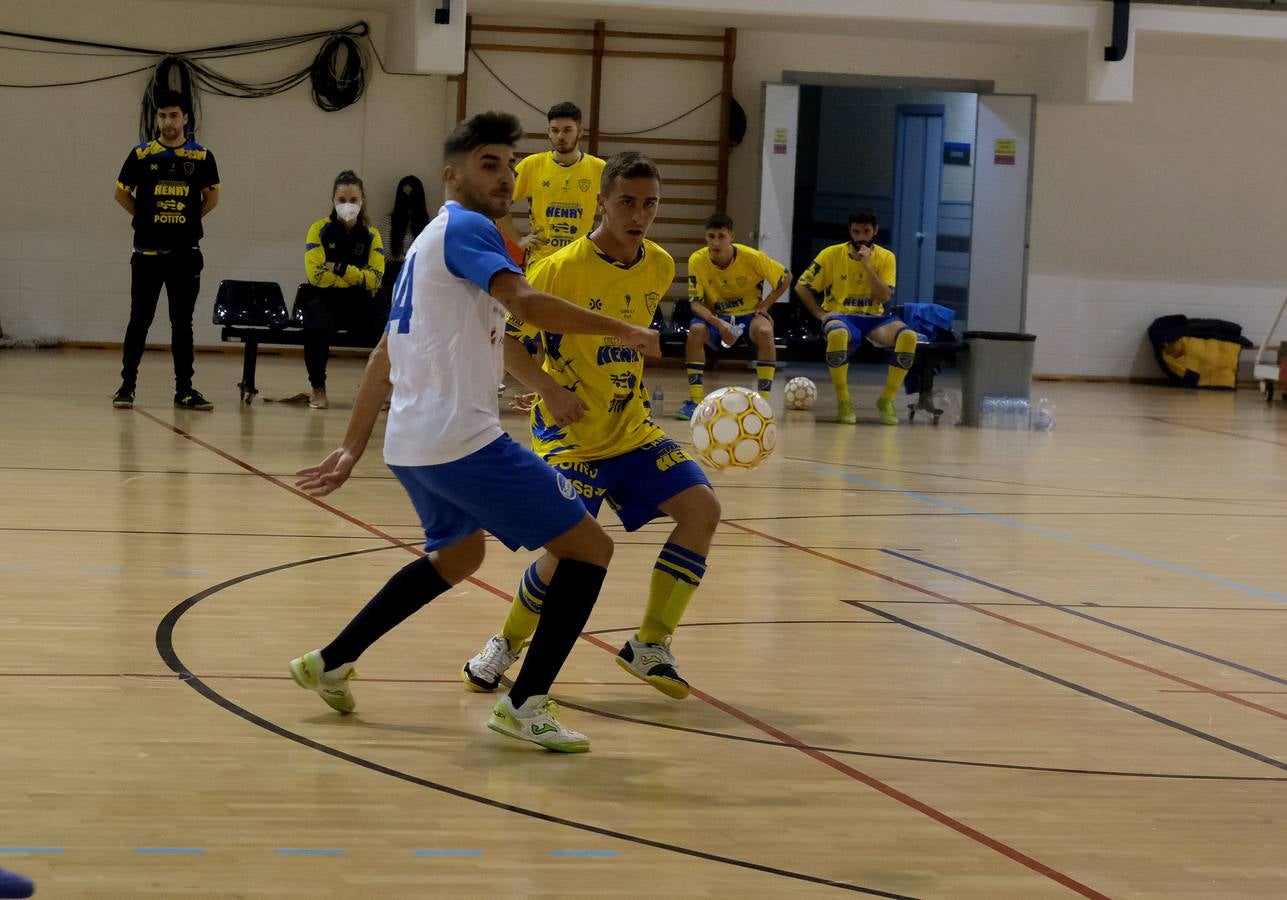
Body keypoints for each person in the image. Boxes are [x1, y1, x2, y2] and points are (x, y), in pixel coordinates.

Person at [290, 112, 661, 753]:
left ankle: (332, 661)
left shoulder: (428, 241)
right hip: (462, 440)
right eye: (489, 163)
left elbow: (384, 354)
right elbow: (526, 304)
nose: (505, 175)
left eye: (511, 163)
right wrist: (621, 329)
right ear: (452, 173)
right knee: (590, 550)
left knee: (461, 555)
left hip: (412, 443)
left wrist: (354, 447)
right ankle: (525, 704)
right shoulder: (467, 228)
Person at [461, 151, 720, 702]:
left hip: (632, 429)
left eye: (650, 204)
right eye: (627, 201)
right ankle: (505, 644)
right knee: (568, 553)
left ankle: (650, 643)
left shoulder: (660, 267)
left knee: (702, 510)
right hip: (569, 435)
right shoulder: (559, 268)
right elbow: (506, 338)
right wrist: (551, 389)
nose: (639, 214)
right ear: (600, 201)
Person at [112, 89, 220, 411]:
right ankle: (126, 387)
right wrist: (145, 218)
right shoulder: (142, 155)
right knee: (139, 320)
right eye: (162, 115)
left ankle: (184, 390)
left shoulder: (201, 157)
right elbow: (120, 194)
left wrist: (186, 221)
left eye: (174, 115)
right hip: (146, 256)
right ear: (156, 118)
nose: (167, 121)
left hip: (185, 255)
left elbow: (211, 199)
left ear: (185, 118)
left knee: (182, 324)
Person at [794, 208, 915, 425]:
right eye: (856, 232)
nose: (861, 237)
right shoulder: (830, 254)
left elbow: (884, 296)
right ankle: (843, 401)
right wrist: (820, 314)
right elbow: (801, 287)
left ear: (875, 231)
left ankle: (886, 400)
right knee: (837, 333)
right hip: (842, 316)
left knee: (908, 337)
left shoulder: (886, 257)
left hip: (874, 318)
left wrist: (867, 265)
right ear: (850, 231)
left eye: (866, 231)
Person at [676, 212, 793, 420]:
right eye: (711, 236)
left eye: (721, 236)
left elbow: (786, 277)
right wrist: (718, 323)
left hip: (748, 315)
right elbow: (695, 303)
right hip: (717, 316)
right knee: (696, 330)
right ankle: (695, 401)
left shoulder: (753, 258)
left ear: (731, 237)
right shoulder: (697, 259)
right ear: (706, 237)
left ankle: (764, 402)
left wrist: (765, 305)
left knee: (765, 331)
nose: (716, 242)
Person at [300, 171, 385, 409]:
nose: (348, 206)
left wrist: (338, 268)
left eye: (353, 200)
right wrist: (356, 276)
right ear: (333, 201)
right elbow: (316, 275)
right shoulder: (318, 230)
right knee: (315, 327)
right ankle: (318, 389)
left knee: (388, 326)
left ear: (362, 201)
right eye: (342, 200)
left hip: (359, 301)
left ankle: (374, 390)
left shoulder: (372, 235)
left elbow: (375, 279)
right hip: (326, 298)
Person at [497, 101, 604, 268]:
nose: (561, 136)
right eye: (555, 130)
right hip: (541, 261)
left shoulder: (599, 168)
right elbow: (497, 205)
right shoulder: (531, 165)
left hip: (579, 262)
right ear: (548, 132)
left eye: (568, 130)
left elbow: (617, 211)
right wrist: (519, 240)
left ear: (580, 132)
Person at [379, 175, 430, 289]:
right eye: (405, 195)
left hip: (419, 277)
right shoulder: (388, 221)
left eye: (412, 195)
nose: (408, 199)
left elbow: (428, 254)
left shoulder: (429, 224)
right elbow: (386, 254)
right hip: (394, 276)